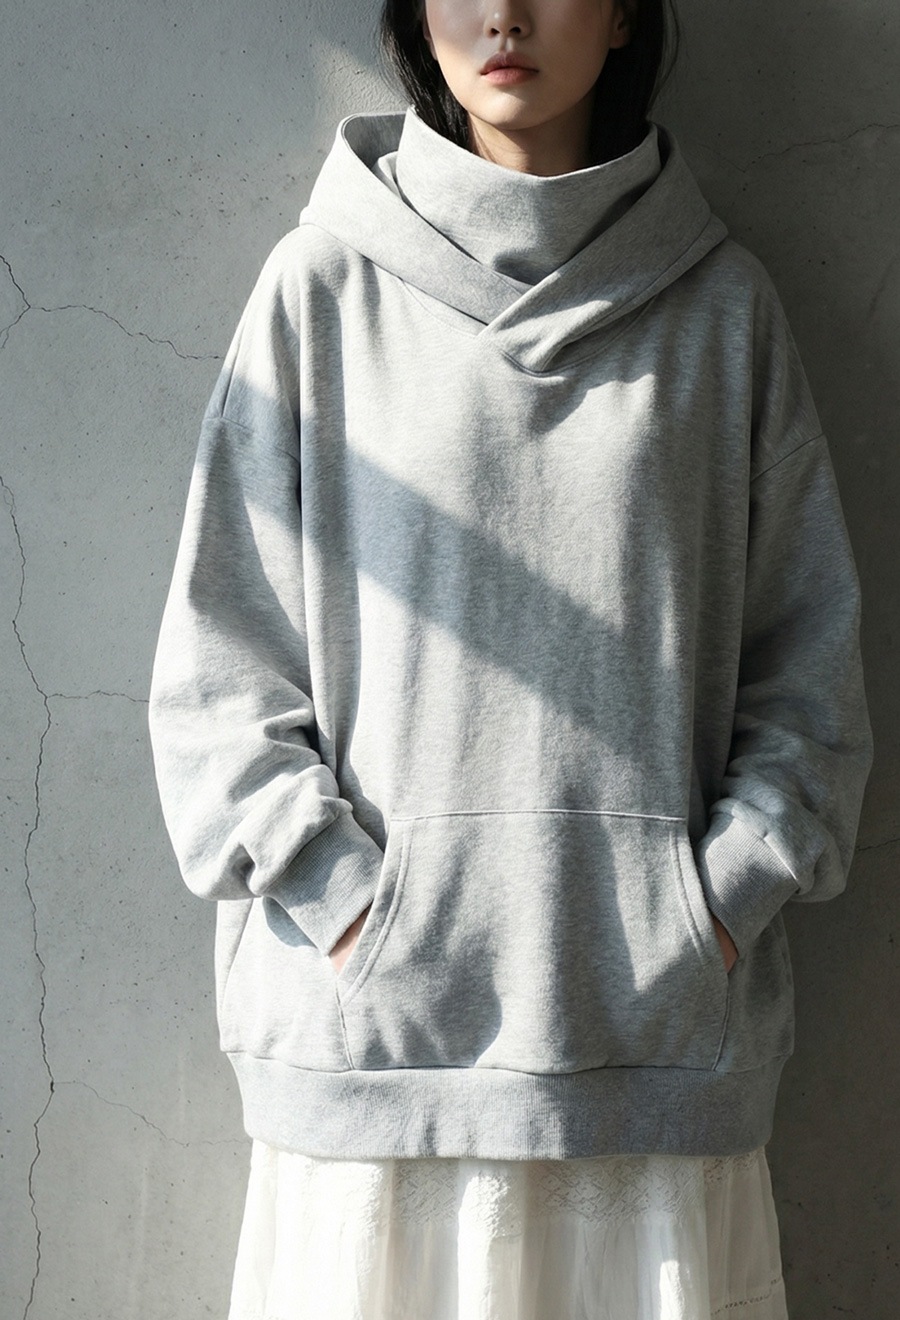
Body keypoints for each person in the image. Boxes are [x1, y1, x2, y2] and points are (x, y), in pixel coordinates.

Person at [147, 0, 873, 1316]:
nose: (503, 14)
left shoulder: (724, 313)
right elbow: (217, 687)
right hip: (372, 1079)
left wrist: (704, 912)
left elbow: (809, 686)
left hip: (652, 1076)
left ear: (625, 12)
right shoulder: (320, 290)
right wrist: (359, 915)